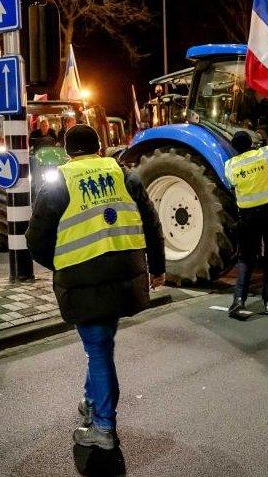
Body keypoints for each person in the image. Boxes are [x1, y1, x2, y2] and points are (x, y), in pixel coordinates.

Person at [25, 124, 165, 450]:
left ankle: (103, 427)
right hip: (123, 279)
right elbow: (152, 224)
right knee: (102, 345)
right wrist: (157, 269)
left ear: (66, 150)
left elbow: (35, 240)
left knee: (99, 350)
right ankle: (91, 402)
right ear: (100, 147)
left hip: (83, 282)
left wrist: (62, 264)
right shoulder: (124, 176)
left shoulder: (60, 182)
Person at [224, 130, 268, 318]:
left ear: (235, 148)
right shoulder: (267, 153)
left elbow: (231, 184)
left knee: (245, 259)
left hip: (248, 218)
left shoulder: (230, 166)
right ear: (251, 142)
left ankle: (238, 301)